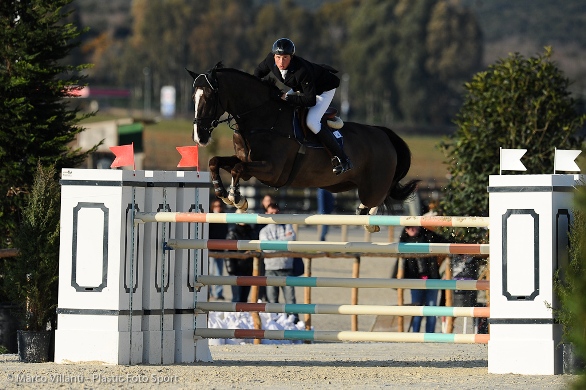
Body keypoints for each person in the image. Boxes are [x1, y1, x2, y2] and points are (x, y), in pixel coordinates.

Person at [254, 37, 352, 175]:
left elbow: (310, 100)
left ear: (291, 57)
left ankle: (342, 158)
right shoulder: (271, 60)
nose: (281, 62)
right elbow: (257, 74)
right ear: (274, 55)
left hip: (323, 90)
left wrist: (287, 97)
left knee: (311, 122)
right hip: (301, 86)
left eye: (285, 58)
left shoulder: (301, 70)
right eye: (278, 57)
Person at [399, 226, 447, 333]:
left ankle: (430, 334)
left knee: (431, 308)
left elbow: (444, 241)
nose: (410, 229)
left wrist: (428, 228)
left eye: (413, 226)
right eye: (407, 227)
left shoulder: (429, 235)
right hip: (415, 279)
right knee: (417, 309)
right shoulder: (404, 241)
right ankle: (415, 334)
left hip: (432, 277)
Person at [259, 203, 298, 321]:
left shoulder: (287, 226)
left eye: (276, 213)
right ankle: (274, 326)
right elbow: (266, 248)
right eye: (271, 213)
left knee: (291, 301)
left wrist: (274, 244)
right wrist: (283, 243)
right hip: (271, 269)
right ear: (266, 214)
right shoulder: (264, 231)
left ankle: (295, 325)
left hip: (286, 268)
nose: (274, 216)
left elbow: (291, 241)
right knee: (272, 302)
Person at [225, 212, 255, 303]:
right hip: (236, 269)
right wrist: (231, 269)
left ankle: (242, 316)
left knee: (244, 298)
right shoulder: (232, 232)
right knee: (237, 297)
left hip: (248, 268)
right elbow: (228, 252)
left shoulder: (251, 231)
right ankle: (235, 316)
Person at [208, 199, 228, 301]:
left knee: (219, 272)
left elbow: (225, 232)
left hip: (220, 248)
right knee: (211, 271)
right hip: (211, 248)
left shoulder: (224, 217)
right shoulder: (210, 217)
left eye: (219, 206)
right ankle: (210, 292)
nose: (218, 208)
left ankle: (218, 293)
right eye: (216, 206)